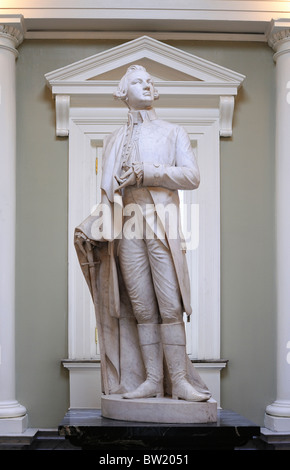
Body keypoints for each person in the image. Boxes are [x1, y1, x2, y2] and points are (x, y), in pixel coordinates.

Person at [75, 65, 211, 403]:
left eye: (150, 81)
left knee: (169, 304)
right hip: (127, 227)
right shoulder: (112, 140)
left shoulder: (171, 132)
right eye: (138, 81)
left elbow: (192, 176)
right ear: (123, 92)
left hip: (159, 222)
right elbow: (107, 195)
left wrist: (149, 172)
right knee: (141, 308)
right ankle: (152, 380)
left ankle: (178, 381)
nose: (147, 85)